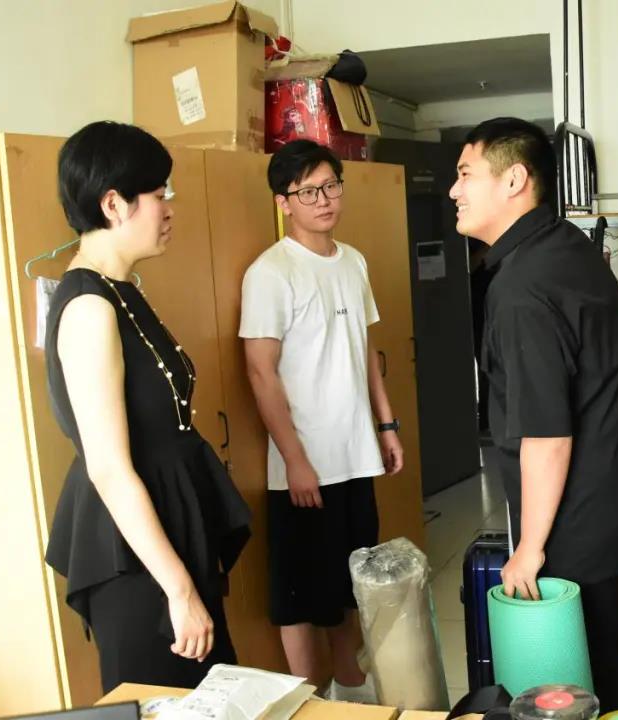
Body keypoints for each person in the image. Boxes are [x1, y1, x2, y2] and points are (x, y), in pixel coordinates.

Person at [449, 117, 618, 712]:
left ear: (514, 180)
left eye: (466, 174)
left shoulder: (522, 287)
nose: (454, 190)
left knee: (579, 679)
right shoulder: (568, 247)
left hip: (578, 512)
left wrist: (530, 548)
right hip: (614, 496)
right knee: (603, 651)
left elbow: (547, 436)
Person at [44, 121, 251, 692]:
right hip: (135, 554)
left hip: (168, 525)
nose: (169, 209)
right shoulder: (89, 308)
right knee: (165, 696)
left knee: (211, 693)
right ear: (114, 204)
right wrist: (178, 590)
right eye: (160, 194)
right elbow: (109, 469)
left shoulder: (121, 290)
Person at [240, 140, 403, 702]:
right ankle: (307, 699)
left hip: (355, 455)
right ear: (283, 202)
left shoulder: (353, 260)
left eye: (331, 185)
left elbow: (365, 351)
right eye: (308, 192)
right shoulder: (271, 272)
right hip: (304, 464)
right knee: (301, 594)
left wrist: (386, 425)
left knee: (352, 582)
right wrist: (295, 460)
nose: (324, 199)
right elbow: (261, 372)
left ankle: (350, 686)